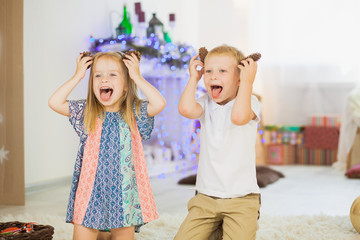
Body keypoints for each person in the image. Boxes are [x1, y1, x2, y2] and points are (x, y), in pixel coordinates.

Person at [48, 51, 166, 240]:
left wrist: (136, 76)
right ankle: (103, 234)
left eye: (113, 74)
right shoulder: (87, 111)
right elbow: (54, 102)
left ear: (126, 84)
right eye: (98, 75)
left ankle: (106, 234)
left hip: (124, 194)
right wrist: (78, 75)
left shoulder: (135, 112)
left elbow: (159, 103)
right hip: (90, 193)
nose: (104, 79)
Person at [175, 45, 261, 240]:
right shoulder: (206, 101)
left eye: (222, 71)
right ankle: (215, 229)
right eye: (208, 71)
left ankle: (220, 229)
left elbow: (238, 117)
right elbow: (186, 109)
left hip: (242, 199)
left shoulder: (250, 101)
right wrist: (193, 78)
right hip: (206, 197)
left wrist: (247, 83)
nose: (213, 76)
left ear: (239, 77)